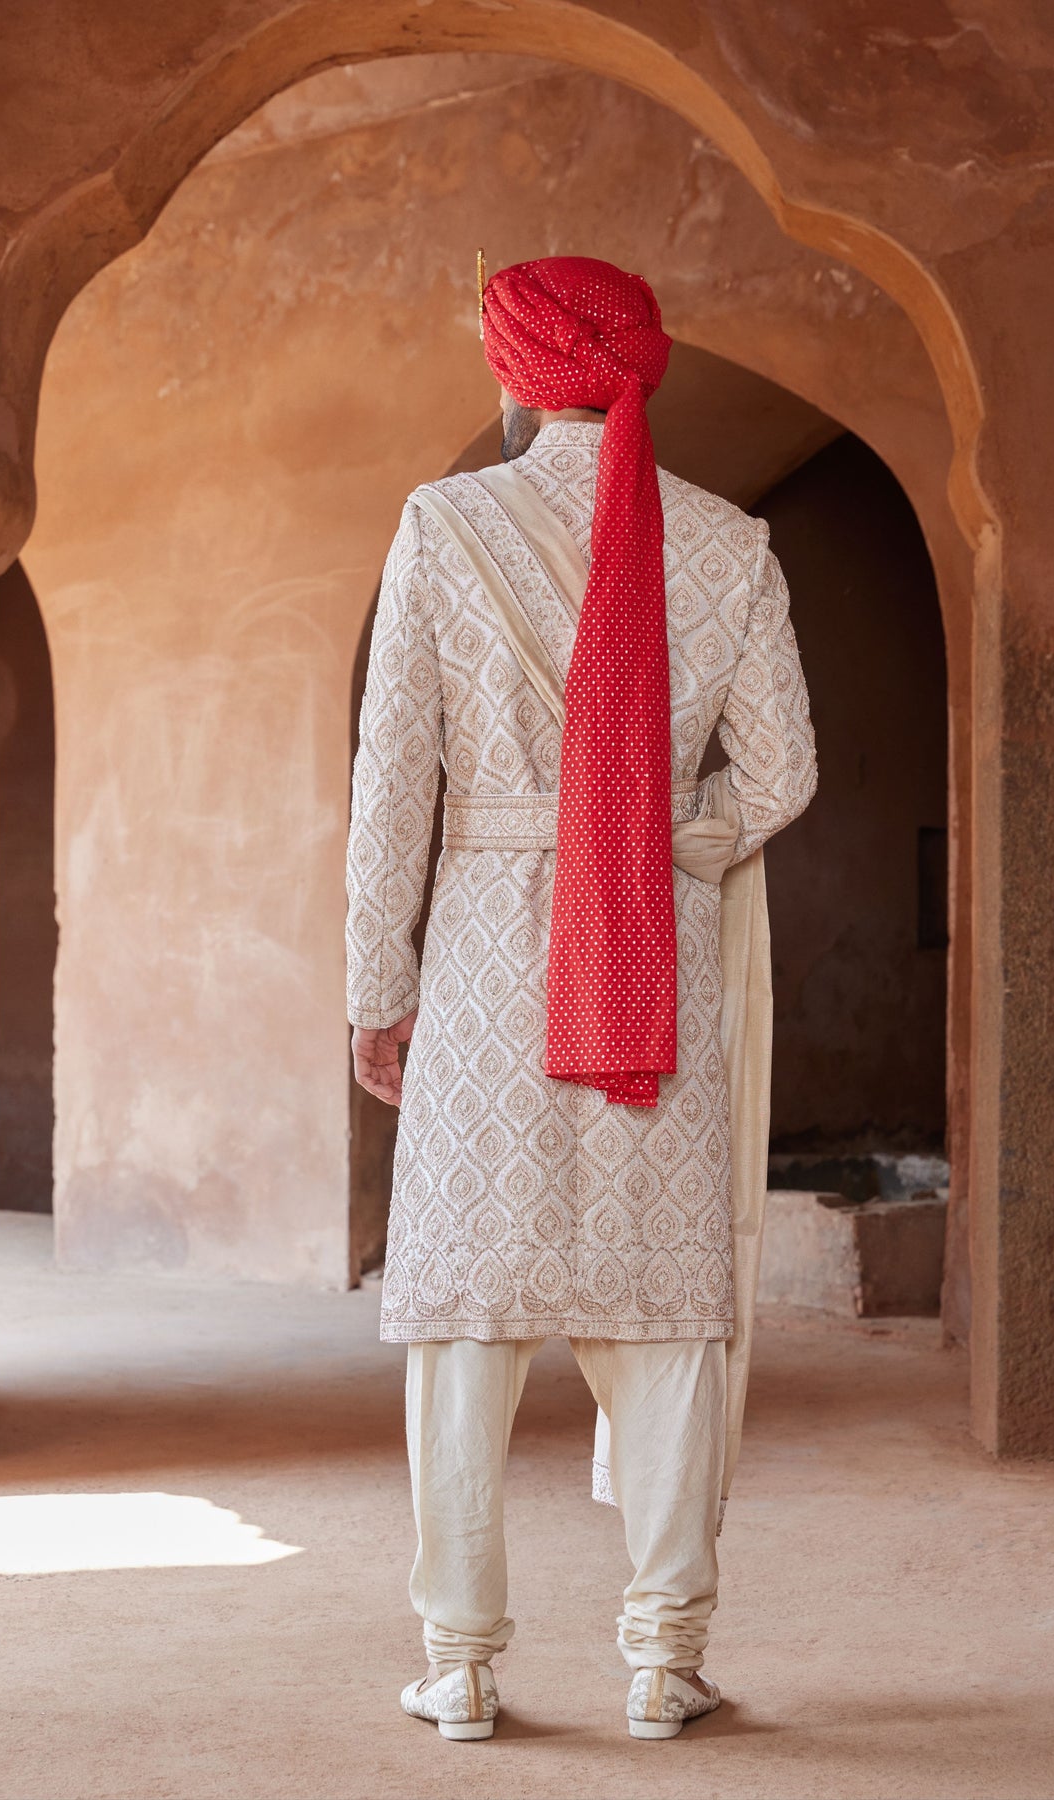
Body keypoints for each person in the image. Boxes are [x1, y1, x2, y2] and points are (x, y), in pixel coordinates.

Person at [346, 255, 816, 1741]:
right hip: (649, 963)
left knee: (464, 1326)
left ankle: (463, 1663)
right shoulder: (729, 545)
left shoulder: (444, 526)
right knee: (665, 1317)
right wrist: (671, 838)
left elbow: (390, 792)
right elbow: (788, 774)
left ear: (513, 377)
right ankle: (665, 1660)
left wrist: (378, 986)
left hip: (486, 956)